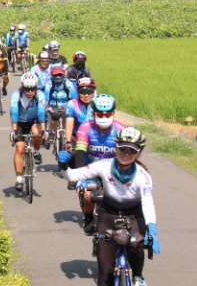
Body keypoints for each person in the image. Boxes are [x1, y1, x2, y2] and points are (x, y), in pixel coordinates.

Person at [66, 127, 159, 286]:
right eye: (122, 149)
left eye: (131, 151)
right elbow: (74, 175)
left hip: (134, 217)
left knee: (136, 244)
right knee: (105, 273)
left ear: (138, 154)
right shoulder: (104, 165)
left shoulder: (143, 175)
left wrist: (152, 228)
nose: (126, 154)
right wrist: (65, 164)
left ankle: (138, 277)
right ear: (115, 147)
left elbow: (148, 202)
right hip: (108, 216)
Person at [61, 94, 125, 234]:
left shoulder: (120, 129)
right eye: (100, 114)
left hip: (112, 169)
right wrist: (79, 177)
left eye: (107, 114)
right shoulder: (85, 128)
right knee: (87, 194)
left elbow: (127, 156)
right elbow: (80, 153)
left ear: (113, 113)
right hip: (90, 168)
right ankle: (89, 217)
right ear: (94, 113)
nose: (103, 117)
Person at [10, 72, 47, 188]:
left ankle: (35, 151)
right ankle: (19, 178)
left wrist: (44, 130)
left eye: (32, 89)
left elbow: (41, 113)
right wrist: (14, 131)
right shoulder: (16, 95)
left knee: (37, 133)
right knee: (19, 148)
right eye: (27, 89)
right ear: (22, 87)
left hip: (33, 121)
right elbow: (14, 113)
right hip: (20, 122)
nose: (30, 92)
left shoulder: (40, 95)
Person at [43, 66, 77, 146]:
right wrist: (45, 107)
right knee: (53, 117)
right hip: (53, 105)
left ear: (63, 75)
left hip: (66, 105)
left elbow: (74, 97)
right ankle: (51, 133)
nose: (57, 77)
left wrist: (74, 107)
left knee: (67, 121)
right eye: (55, 75)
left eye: (59, 75)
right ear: (52, 76)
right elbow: (46, 97)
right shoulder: (49, 83)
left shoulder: (68, 83)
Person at [63, 77, 96, 144]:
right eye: (83, 92)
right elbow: (69, 124)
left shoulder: (98, 104)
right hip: (77, 138)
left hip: (94, 138)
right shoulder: (72, 104)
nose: (86, 95)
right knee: (63, 154)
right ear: (78, 92)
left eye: (89, 92)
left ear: (94, 92)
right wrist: (68, 142)